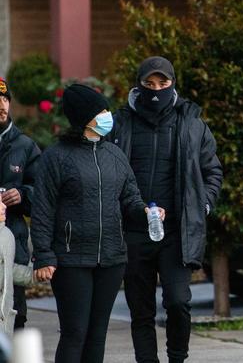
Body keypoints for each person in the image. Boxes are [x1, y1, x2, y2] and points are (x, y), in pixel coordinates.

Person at [31, 84, 158, 363]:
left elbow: (130, 200)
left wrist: (149, 213)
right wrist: (43, 256)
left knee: (97, 333)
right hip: (71, 260)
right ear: (84, 117)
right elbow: (43, 210)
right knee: (75, 332)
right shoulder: (56, 157)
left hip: (111, 259)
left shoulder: (115, 155)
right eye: (101, 111)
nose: (107, 115)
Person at [109, 56, 223, 363]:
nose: (156, 90)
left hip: (176, 231)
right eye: (149, 84)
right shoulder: (121, 123)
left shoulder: (192, 122)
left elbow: (212, 171)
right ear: (139, 85)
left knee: (177, 301)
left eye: (163, 83)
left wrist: (204, 204)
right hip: (134, 230)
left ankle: (177, 358)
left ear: (173, 84)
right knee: (140, 308)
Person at [0, 77, 40, 330]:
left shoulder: (25, 146)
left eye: (4, 99)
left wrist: (23, 195)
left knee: (14, 314)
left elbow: (43, 193)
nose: (1, 105)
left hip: (12, 244)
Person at [0, 195, 15, 336]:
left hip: (5, 316)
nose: (4, 206)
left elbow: (9, 269)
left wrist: (32, 275)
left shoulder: (7, 235)